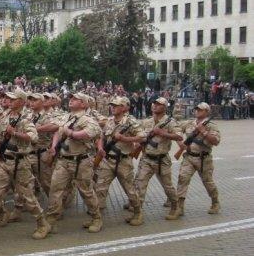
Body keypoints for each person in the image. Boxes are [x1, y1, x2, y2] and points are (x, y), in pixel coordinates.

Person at [0, 89, 50, 240]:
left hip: (20, 163)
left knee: (28, 197)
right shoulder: (5, 115)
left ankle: (42, 224)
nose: (8, 101)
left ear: (21, 102)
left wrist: (15, 133)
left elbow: (33, 137)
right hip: (4, 160)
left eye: (13, 99)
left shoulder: (26, 118)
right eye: (8, 98)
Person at [46, 92, 102, 232]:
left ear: (83, 104)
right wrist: (53, 146)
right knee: (55, 189)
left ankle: (96, 218)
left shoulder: (88, 119)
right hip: (63, 160)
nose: (71, 100)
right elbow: (58, 132)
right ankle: (51, 220)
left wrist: (71, 133)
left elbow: (91, 133)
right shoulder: (67, 117)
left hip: (81, 161)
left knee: (86, 191)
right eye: (70, 98)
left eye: (75, 99)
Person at [93, 97, 145, 228]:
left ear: (123, 107)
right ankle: (96, 219)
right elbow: (101, 136)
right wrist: (100, 148)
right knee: (99, 189)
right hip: (108, 160)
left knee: (130, 191)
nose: (113, 107)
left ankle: (138, 214)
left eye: (116, 105)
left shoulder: (130, 121)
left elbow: (143, 136)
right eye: (112, 105)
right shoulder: (109, 121)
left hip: (123, 162)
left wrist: (124, 138)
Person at [131, 97, 183, 223]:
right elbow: (139, 135)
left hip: (161, 160)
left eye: (159, 104)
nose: (155, 106)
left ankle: (176, 207)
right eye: (154, 103)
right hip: (147, 159)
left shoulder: (170, 122)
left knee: (168, 187)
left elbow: (179, 136)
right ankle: (137, 214)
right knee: (139, 186)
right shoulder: (146, 122)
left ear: (165, 107)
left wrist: (162, 133)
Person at [172, 102, 221, 218]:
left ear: (207, 112)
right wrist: (181, 144)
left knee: (208, 182)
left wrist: (203, 131)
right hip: (189, 157)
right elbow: (176, 128)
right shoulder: (189, 123)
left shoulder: (211, 125)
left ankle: (215, 202)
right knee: (182, 179)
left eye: (201, 109)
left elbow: (216, 141)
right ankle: (180, 207)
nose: (197, 111)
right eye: (196, 109)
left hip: (204, 159)